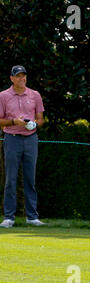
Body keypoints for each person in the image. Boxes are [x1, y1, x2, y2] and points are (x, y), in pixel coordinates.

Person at [0, 65, 45, 228]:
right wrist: (14, 121)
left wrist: (34, 124)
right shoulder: (3, 96)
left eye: (23, 76)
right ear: (11, 78)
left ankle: (32, 216)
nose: (22, 79)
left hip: (31, 139)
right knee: (11, 179)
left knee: (30, 179)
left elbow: (41, 118)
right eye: (18, 76)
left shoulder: (35, 95)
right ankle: (9, 217)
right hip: (12, 139)